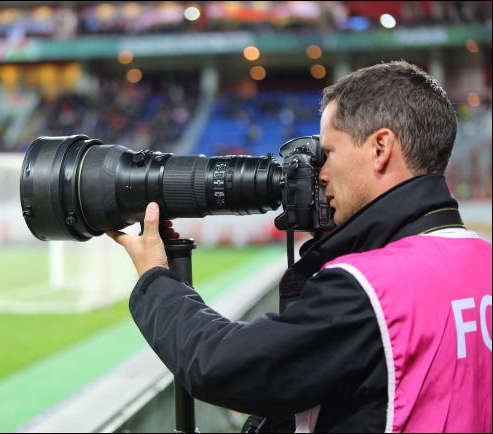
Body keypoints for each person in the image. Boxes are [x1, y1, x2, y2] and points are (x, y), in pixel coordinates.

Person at [106, 61, 492, 432]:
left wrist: (156, 279)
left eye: (330, 152)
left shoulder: (372, 290)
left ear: (380, 148)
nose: (320, 174)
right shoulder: (483, 261)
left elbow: (222, 366)